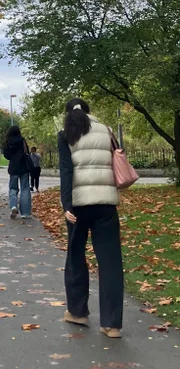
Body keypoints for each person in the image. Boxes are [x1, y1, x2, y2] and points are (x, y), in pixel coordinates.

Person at [58, 98, 123, 338]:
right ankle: (112, 324)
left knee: (76, 257)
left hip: (78, 206)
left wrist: (66, 204)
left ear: (68, 114)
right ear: (89, 112)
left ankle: (78, 312)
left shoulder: (66, 134)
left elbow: (66, 170)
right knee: (110, 262)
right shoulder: (106, 131)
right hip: (106, 204)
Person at [3, 125, 32, 218]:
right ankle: (25, 213)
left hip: (13, 167)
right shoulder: (22, 140)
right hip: (24, 166)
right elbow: (27, 152)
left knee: (13, 188)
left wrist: (13, 157)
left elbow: (6, 155)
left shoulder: (7, 142)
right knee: (25, 189)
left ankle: (13, 206)